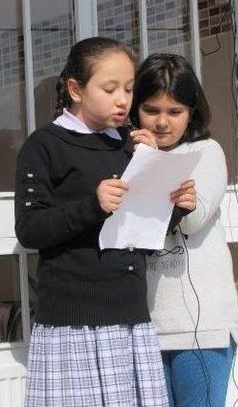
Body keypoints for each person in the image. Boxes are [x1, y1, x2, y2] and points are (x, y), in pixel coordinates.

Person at [15, 37, 170, 407]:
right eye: (110, 88)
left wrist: (175, 199)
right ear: (75, 89)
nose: (123, 100)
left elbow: (143, 223)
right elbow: (30, 228)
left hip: (129, 314)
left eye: (129, 89)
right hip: (75, 322)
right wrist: (93, 205)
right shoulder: (45, 145)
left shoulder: (131, 143)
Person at [131, 53, 238, 407]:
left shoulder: (205, 152)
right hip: (145, 328)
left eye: (175, 111)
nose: (162, 122)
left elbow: (194, 220)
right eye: (151, 109)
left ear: (192, 113)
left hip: (202, 329)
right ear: (135, 110)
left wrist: (150, 161)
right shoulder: (125, 155)